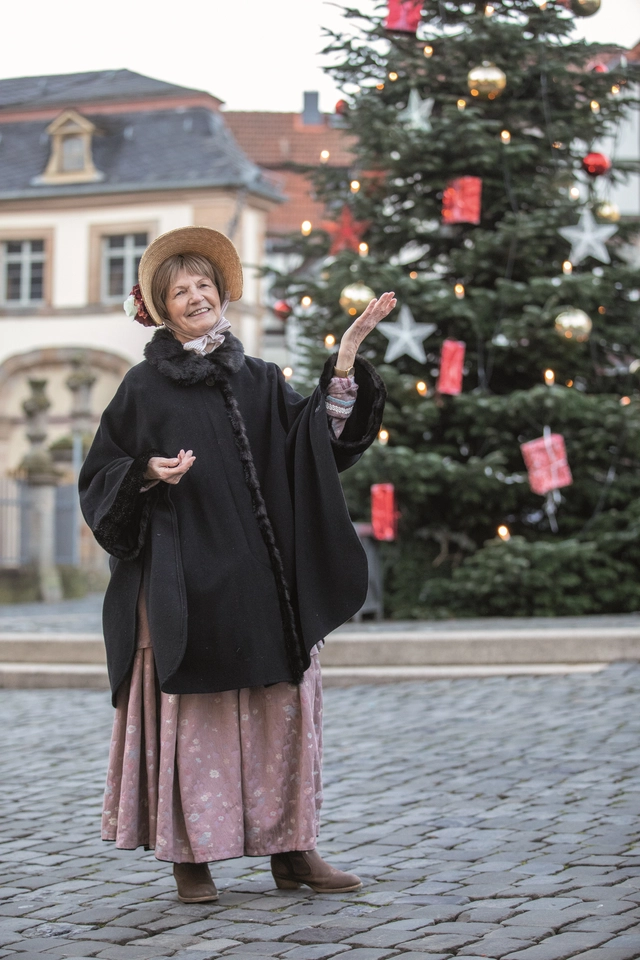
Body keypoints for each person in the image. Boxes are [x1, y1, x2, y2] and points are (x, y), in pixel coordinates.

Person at [79, 226, 395, 903]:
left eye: (205, 285)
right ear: (160, 308)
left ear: (222, 295)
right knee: (194, 722)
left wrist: (344, 362)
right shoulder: (142, 388)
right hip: (184, 582)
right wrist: (145, 472)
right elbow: (100, 475)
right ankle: (190, 856)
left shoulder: (260, 378)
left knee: (281, 715)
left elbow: (313, 446)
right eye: (180, 291)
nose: (196, 297)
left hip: (263, 583)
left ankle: (293, 850)